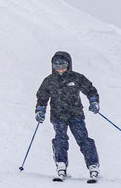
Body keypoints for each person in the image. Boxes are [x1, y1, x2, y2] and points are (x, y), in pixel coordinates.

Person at [35, 51, 101, 181]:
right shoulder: (49, 81)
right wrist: (40, 110)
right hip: (58, 116)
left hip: (75, 114)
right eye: (56, 65)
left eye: (63, 65)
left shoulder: (76, 78)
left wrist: (94, 102)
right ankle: (61, 164)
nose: (60, 69)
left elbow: (90, 90)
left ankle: (93, 165)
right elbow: (42, 98)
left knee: (83, 139)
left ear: (69, 64)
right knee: (60, 139)